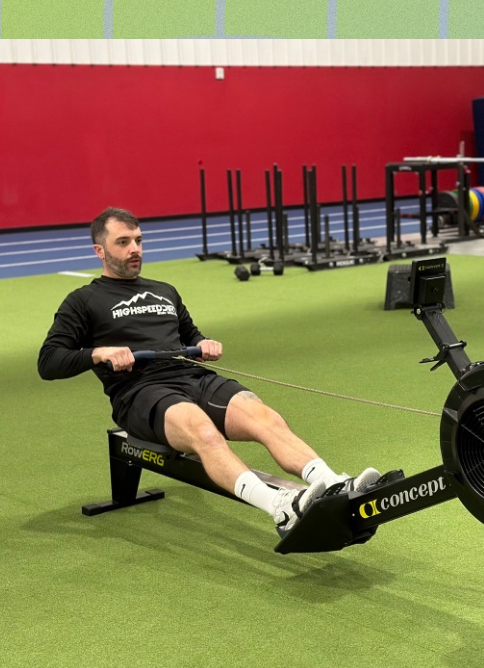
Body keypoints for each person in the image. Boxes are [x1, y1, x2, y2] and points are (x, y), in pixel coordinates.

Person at [38, 207, 380, 535]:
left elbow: (191, 334)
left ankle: (335, 482)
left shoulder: (164, 291)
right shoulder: (83, 301)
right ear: (100, 250)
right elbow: (49, 361)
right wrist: (99, 353)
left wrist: (204, 343)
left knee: (264, 417)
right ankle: (283, 507)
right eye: (123, 242)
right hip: (141, 392)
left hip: (192, 377)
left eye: (139, 241)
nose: (135, 249)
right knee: (202, 431)